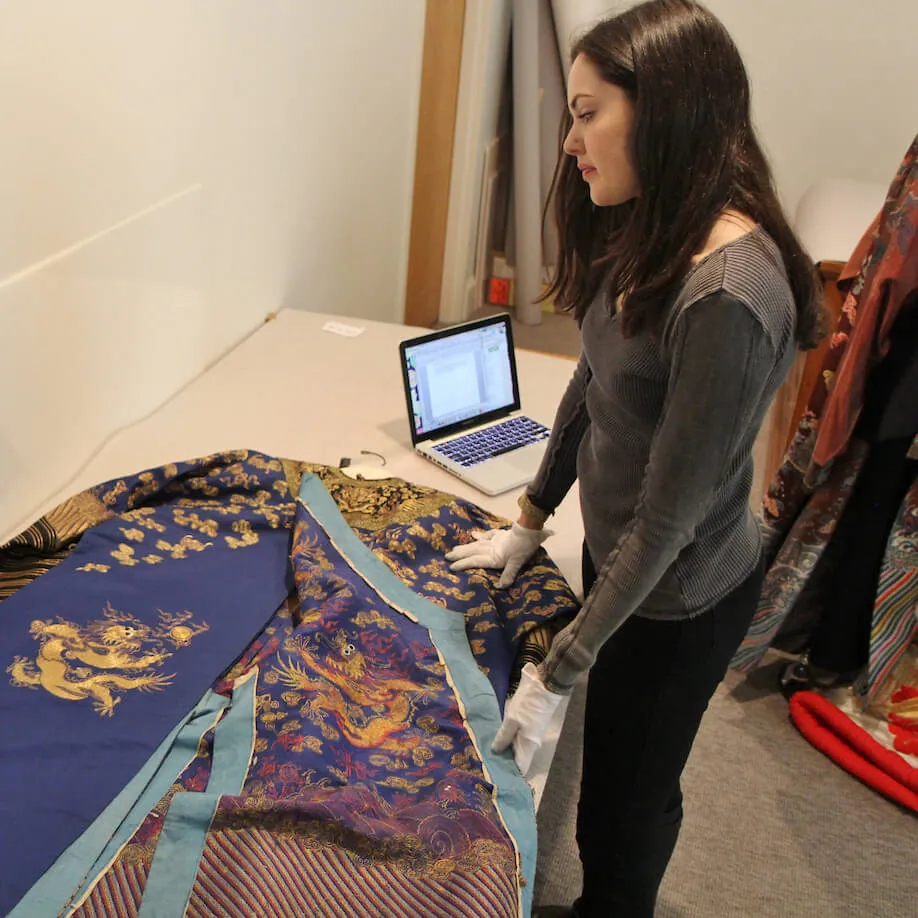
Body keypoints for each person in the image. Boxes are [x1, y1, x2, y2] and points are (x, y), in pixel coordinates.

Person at [444, 2, 823, 916]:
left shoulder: (730, 292)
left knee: (625, 803)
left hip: (679, 595)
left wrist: (563, 668)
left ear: (663, 109)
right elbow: (594, 382)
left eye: (585, 112)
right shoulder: (651, 221)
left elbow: (671, 516)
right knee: (606, 776)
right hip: (623, 555)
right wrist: (530, 520)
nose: (571, 140)